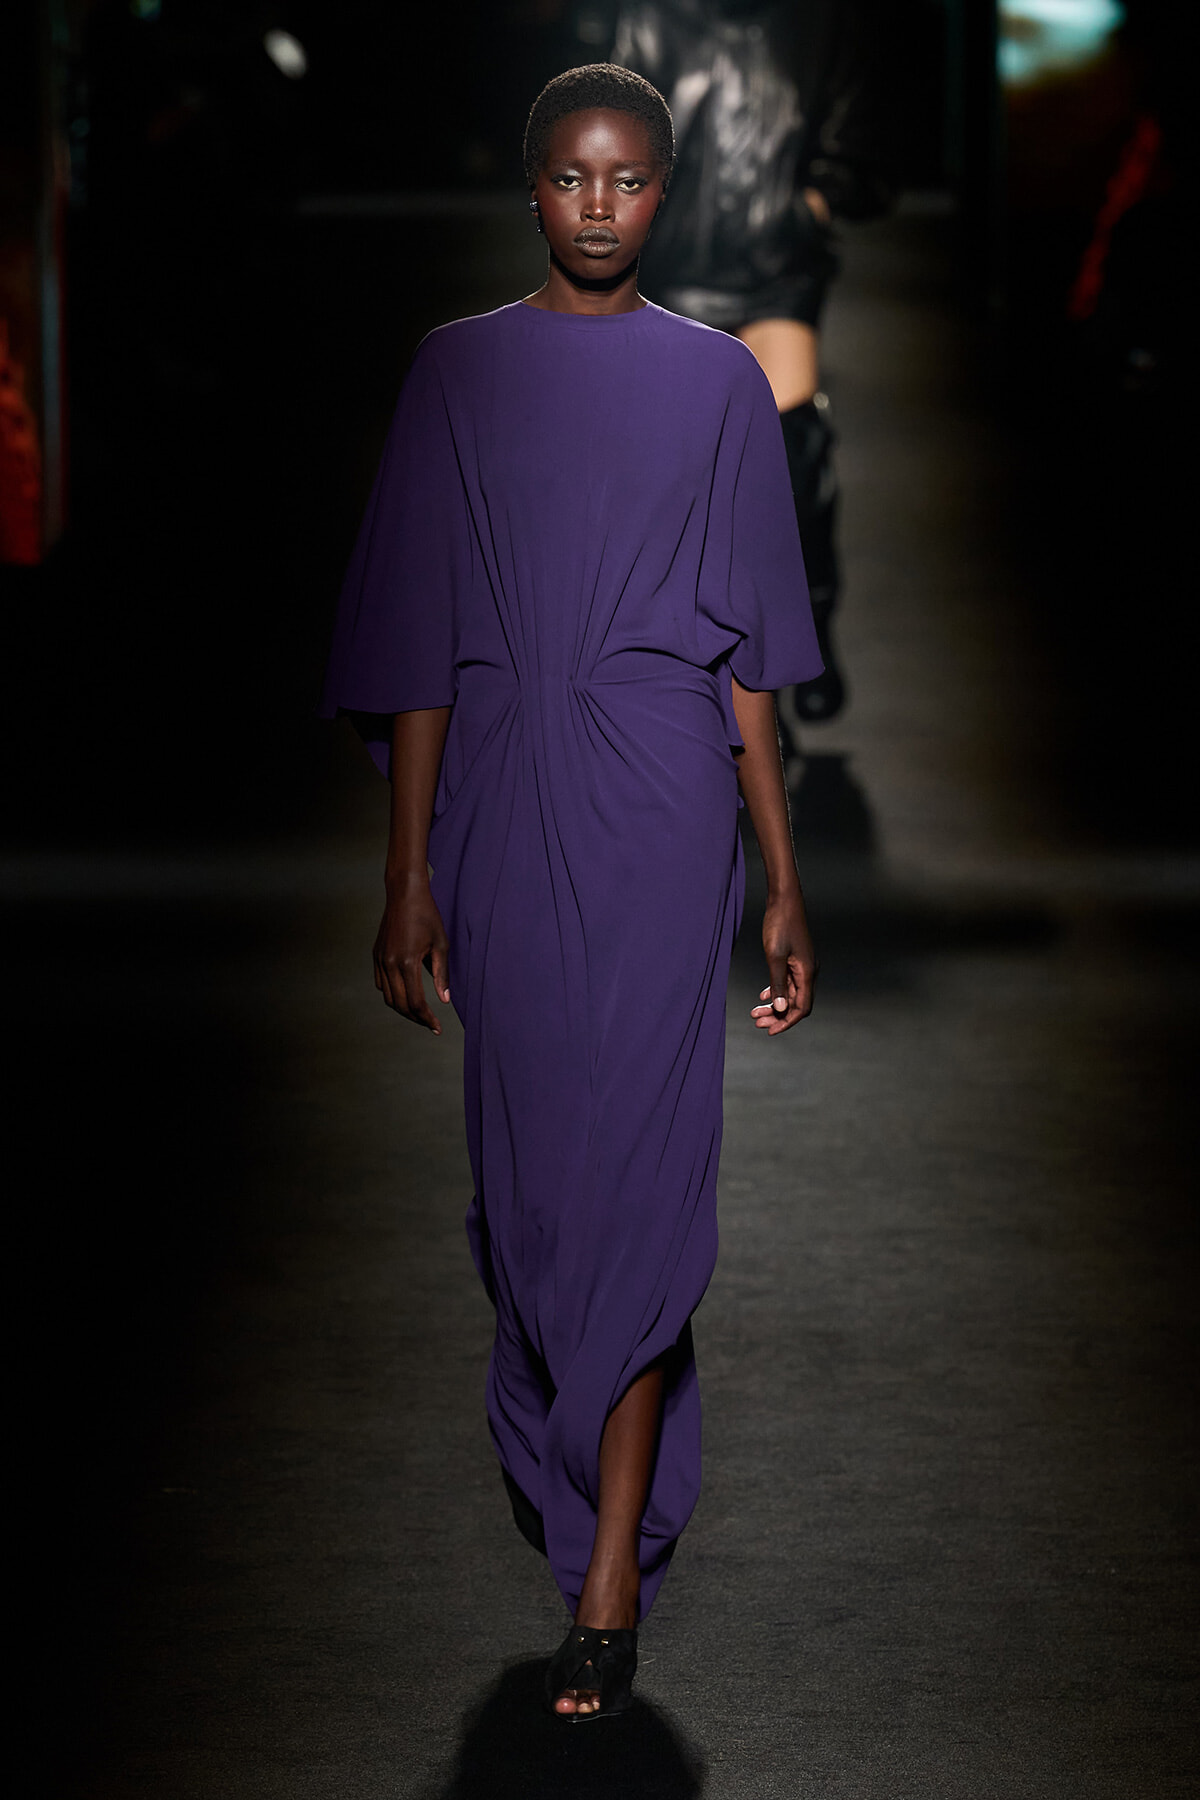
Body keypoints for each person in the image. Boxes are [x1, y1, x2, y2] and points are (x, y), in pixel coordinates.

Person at [320, 63, 821, 1721]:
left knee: (643, 1191)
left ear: (661, 196)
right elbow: (411, 643)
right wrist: (406, 880)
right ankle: (585, 1483)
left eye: (627, 180)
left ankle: (607, 1575)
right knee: (530, 1205)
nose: (598, 204)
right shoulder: (456, 375)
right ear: (533, 187)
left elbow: (751, 665)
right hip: (505, 808)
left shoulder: (718, 389)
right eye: (570, 177)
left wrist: (781, 883)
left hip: (667, 804)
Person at [611, 0, 892, 741]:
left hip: (779, 269)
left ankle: (809, 634)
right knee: (695, 481)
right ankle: (717, 667)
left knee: (792, 461)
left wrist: (809, 207)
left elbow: (863, 135)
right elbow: (617, 139)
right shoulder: (650, 17)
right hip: (679, 270)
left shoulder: (820, 19)